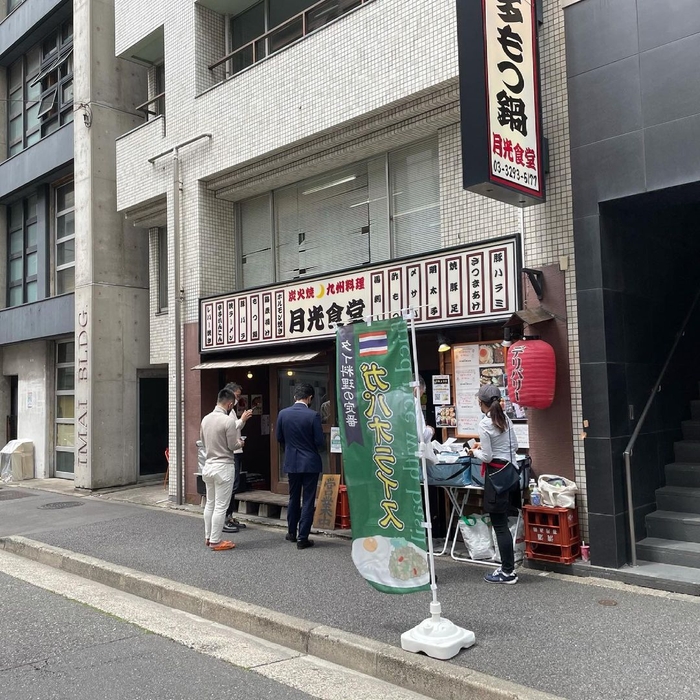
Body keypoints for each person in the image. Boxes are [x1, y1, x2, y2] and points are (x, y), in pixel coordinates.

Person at [468, 384, 520, 584]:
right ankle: (507, 568)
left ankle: (507, 572)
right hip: (511, 475)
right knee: (504, 523)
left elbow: (488, 457)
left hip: (496, 478)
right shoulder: (505, 419)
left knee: (500, 526)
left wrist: (474, 452)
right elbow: (514, 446)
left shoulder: (485, 424)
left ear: (481, 403)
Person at [276, 383, 325, 549]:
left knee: (293, 497)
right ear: (310, 398)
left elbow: (279, 437)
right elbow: (319, 441)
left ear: (294, 396)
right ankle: (303, 538)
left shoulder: (283, 414)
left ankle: (291, 532)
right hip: (310, 462)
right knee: (308, 499)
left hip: (292, 461)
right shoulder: (313, 415)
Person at [200, 387, 242, 551]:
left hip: (208, 465)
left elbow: (203, 442)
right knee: (221, 506)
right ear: (230, 404)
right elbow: (232, 445)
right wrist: (241, 443)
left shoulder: (205, 419)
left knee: (210, 503)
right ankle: (216, 541)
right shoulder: (227, 421)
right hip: (223, 466)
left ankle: (208, 536)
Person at [222, 382, 253, 534]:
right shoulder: (225, 412)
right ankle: (225, 518)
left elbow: (237, 427)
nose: (238, 399)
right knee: (231, 485)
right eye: (237, 395)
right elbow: (230, 427)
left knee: (234, 484)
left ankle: (229, 516)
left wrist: (243, 420)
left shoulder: (231, 411)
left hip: (236, 450)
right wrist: (242, 419)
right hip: (231, 452)